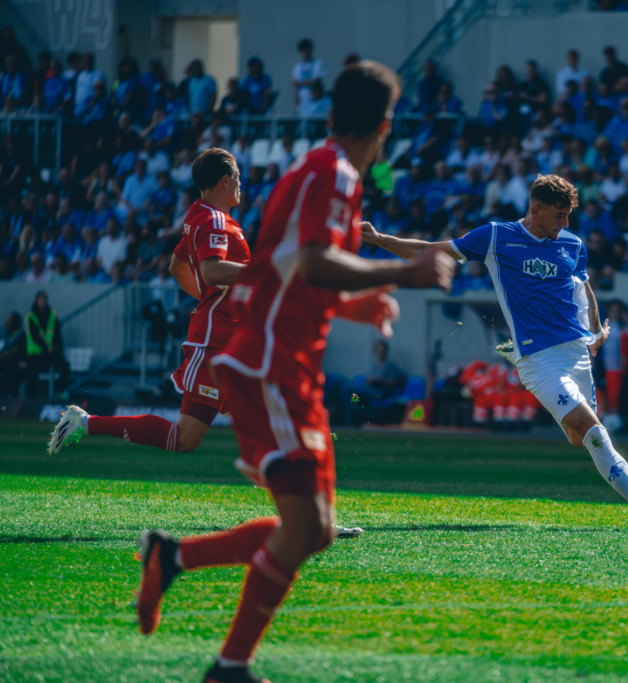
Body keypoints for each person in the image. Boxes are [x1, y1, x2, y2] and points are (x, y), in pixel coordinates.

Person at [128, 62, 453, 683]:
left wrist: (356, 302)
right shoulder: (332, 174)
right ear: (386, 125)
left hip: (285, 363)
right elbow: (309, 260)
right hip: (269, 364)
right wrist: (398, 273)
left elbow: (289, 271)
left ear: (332, 115)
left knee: (318, 530)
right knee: (305, 524)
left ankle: (172, 558)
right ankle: (229, 665)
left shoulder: (319, 171)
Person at [362, 173, 628, 534]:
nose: (566, 223)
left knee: (580, 438)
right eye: (560, 215)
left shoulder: (571, 244)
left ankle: (623, 481)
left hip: (577, 355)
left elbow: (583, 285)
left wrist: (592, 329)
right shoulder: (496, 236)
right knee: (594, 432)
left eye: (569, 215)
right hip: (539, 361)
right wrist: (380, 239)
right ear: (536, 209)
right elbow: (432, 250)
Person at [49, 148, 250, 457]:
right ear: (225, 180)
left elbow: (176, 267)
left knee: (270, 413)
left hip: (233, 340)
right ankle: (85, 423)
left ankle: (297, 493)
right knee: (185, 438)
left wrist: (210, 297)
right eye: (238, 176)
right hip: (215, 341)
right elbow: (210, 271)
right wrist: (260, 275)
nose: (241, 183)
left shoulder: (199, 214)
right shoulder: (213, 220)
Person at [24, 290, 71, 397]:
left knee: (65, 366)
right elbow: (35, 336)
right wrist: (46, 347)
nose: (43, 302)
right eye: (41, 300)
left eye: (44, 300)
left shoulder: (52, 314)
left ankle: (61, 392)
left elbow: (56, 333)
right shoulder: (31, 317)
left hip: (50, 353)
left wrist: (54, 348)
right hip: (36, 354)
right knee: (31, 373)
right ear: (36, 301)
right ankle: (30, 398)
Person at [0, 310, 26, 395]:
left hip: (16, 366)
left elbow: (16, 351)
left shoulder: (22, 337)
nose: (6, 324)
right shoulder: (7, 337)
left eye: (9, 321)